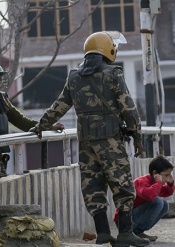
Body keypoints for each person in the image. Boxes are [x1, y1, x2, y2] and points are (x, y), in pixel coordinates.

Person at [30, 31, 149, 247]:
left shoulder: (74, 76)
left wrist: (41, 126)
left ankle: (102, 233)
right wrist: (138, 137)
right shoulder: (113, 74)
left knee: (92, 186)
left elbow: (60, 105)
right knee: (122, 186)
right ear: (108, 50)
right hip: (110, 141)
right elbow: (129, 109)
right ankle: (125, 234)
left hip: (86, 143)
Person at [0, 61, 64, 181]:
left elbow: (21, 121)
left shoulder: (1, 99)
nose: (0, 78)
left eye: (0, 75)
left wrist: (47, 126)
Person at [113, 155, 175, 242]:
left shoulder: (156, 183)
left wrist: (170, 184)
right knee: (158, 201)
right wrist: (159, 182)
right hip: (123, 221)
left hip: (134, 218)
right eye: (166, 175)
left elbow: (167, 192)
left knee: (165, 205)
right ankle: (131, 232)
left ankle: (138, 232)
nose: (168, 177)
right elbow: (149, 195)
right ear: (155, 173)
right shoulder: (142, 181)